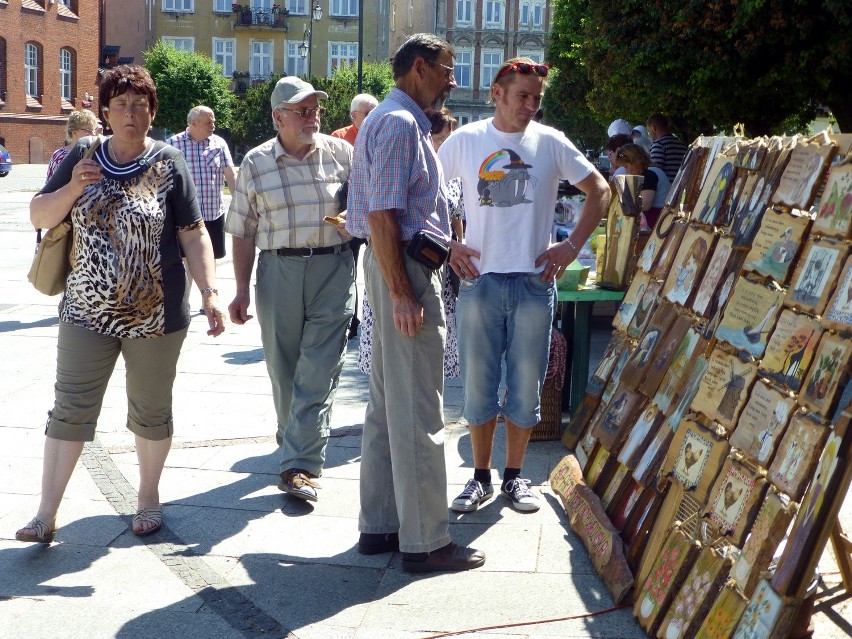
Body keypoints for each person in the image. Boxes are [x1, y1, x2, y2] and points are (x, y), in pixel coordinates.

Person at [16, 65, 226, 544]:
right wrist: (73, 188)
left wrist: (210, 293)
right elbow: (39, 215)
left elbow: (193, 236)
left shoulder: (170, 162)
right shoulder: (81, 155)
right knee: (69, 408)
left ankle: (148, 496)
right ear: (105, 112)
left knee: (151, 410)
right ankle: (46, 514)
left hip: (157, 313)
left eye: (140, 105)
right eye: (121, 104)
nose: (131, 113)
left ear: (152, 113)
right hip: (86, 309)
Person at [438, 57, 610, 514]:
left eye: (537, 98)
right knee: (478, 385)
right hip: (480, 280)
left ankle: (514, 476)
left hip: (536, 281)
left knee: (526, 385)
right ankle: (479, 478)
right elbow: (428, 192)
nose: (531, 105)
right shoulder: (468, 140)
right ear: (498, 93)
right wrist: (449, 245)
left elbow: (601, 189)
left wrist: (571, 245)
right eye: (522, 96)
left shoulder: (550, 142)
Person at [346, 33, 485, 573]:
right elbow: (383, 215)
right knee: (417, 409)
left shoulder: (389, 119)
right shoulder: (401, 123)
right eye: (447, 69)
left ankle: (380, 526)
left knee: (387, 406)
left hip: (398, 265)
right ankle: (426, 542)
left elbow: (391, 214)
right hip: (401, 271)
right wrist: (403, 292)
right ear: (421, 67)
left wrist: (444, 247)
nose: (453, 80)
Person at [225, 76, 355, 504]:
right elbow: (243, 229)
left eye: (315, 108)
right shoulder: (257, 163)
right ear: (278, 116)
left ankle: (301, 463)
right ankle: (293, 439)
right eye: (302, 110)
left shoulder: (342, 154)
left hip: (333, 270)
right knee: (283, 370)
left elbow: (368, 204)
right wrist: (241, 290)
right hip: (278, 270)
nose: (312, 116)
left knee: (319, 368)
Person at [167, 106, 237, 310]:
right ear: (193, 124)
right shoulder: (174, 144)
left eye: (213, 121)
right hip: (185, 215)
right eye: (208, 122)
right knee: (184, 258)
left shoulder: (219, 143)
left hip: (212, 212)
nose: (213, 125)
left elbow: (230, 175)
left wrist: (239, 202)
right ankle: (183, 303)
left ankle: (209, 301)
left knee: (211, 257)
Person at [331, 93, 379, 339]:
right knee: (348, 269)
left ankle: (375, 317)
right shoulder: (339, 139)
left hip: (374, 214)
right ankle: (351, 319)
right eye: (368, 113)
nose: (374, 117)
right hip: (347, 216)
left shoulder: (382, 135)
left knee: (376, 268)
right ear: (354, 116)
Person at [613, 142, 671, 229]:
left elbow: (645, 205)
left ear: (636, 161)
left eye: (626, 166)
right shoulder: (647, 171)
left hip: (657, 220)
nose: (626, 170)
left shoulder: (650, 174)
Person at [46, 109, 100, 181]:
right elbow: (50, 187)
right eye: (88, 130)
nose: (93, 133)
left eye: (93, 130)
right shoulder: (60, 156)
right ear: (74, 131)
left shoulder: (98, 155)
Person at [646, 113, 688, 182]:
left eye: (648, 130)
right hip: (680, 187)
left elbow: (654, 173)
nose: (649, 134)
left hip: (667, 190)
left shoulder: (658, 144)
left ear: (653, 127)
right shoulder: (681, 144)